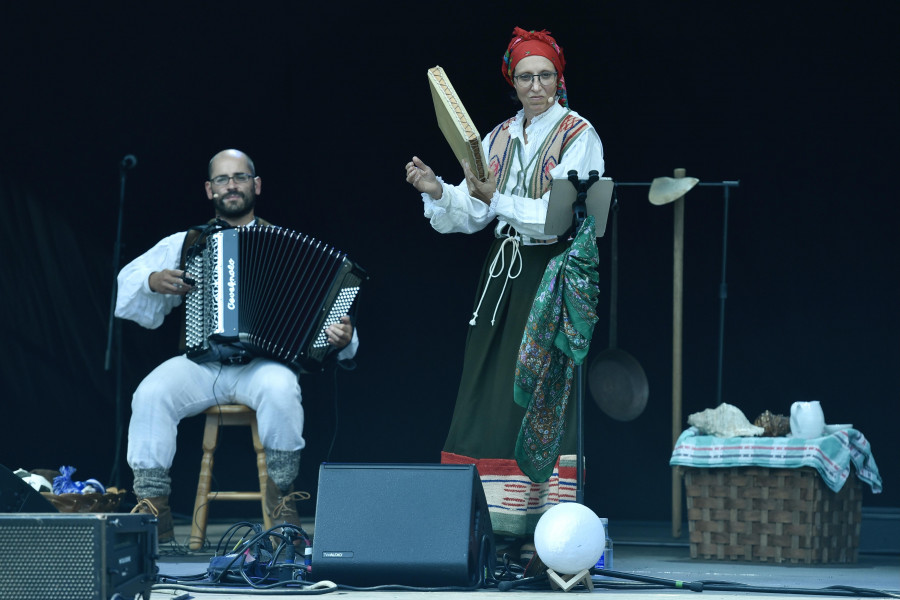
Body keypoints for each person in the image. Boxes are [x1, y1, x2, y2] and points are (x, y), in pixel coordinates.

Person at [404, 27, 605, 556]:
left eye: (544, 75)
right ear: (512, 81)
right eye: (524, 76)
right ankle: (484, 527)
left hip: (550, 274)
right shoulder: (495, 137)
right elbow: (474, 213)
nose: (535, 85)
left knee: (542, 391)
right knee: (486, 391)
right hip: (505, 275)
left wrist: (500, 197)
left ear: (559, 79)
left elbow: (560, 216)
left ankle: (552, 536)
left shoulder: (578, 134)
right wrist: (438, 190)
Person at [116, 149, 359, 543]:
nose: (231, 185)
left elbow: (330, 310)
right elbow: (128, 283)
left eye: (240, 177)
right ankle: (154, 518)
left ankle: (283, 505)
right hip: (201, 364)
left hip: (260, 365)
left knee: (282, 388)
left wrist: (345, 338)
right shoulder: (186, 242)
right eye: (223, 179)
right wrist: (153, 280)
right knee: (150, 393)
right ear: (209, 189)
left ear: (256, 185)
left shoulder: (284, 247)